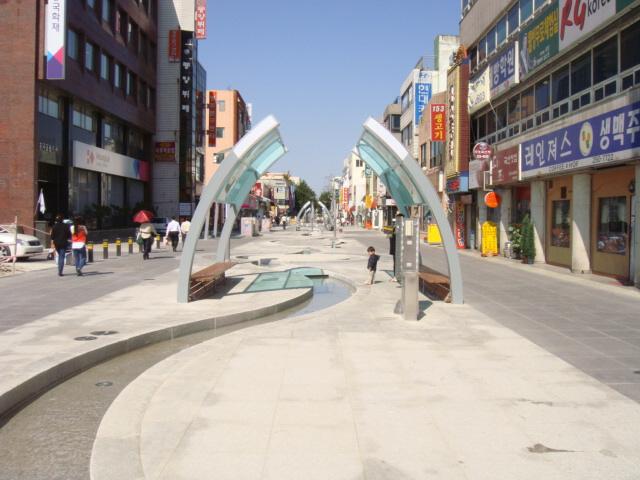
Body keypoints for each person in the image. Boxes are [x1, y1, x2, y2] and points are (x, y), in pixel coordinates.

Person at [389, 213, 403, 282]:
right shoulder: (394, 227)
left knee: (399, 263)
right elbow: (389, 236)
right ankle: (396, 276)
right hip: (395, 249)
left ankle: (398, 276)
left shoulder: (402, 227)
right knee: (395, 263)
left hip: (400, 249)